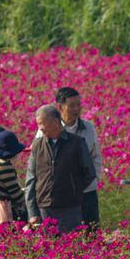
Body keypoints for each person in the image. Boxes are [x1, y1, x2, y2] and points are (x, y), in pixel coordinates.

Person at [33, 87, 104, 231]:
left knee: (91, 233)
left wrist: (92, 180)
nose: (76, 109)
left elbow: (95, 157)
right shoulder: (45, 130)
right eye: (72, 105)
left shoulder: (88, 128)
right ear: (60, 107)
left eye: (79, 105)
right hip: (61, 198)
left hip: (87, 192)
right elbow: (37, 164)